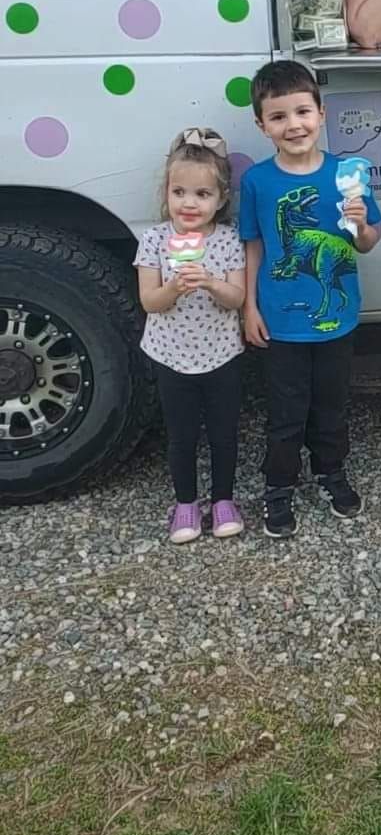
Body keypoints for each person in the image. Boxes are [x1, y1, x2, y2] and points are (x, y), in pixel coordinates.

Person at [239, 59, 381, 538]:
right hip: (280, 322)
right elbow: (254, 244)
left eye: (302, 111)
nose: (293, 124)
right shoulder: (258, 182)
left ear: (322, 113)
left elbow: (367, 242)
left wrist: (362, 223)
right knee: (285, 410)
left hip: (337, 318)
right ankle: (278, 485)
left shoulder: (348, 174)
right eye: (278, 117)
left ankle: (330, 471)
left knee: (331, 404)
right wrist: (249, 306)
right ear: (262, 126)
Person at [135, 128, 247, 544]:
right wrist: (173, 288)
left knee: (223, 433)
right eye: (179, 192)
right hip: (170, 356)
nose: (189, 203)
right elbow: (149, 302)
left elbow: (236, 299)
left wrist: (212, 283)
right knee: (181, 435)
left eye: (202, 194)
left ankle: (223, 500)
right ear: (166, 193)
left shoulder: (229, 241)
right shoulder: (154, 241)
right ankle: (185, 503)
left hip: (221, 355)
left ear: (220, 200)